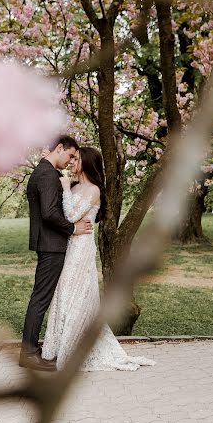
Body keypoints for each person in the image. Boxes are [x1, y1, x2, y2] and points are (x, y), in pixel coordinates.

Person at [42, 146, 156, 371]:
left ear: (86, 162)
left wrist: (65, 189)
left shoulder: (93, 190)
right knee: (64, 293)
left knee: (77, 294)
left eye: (76, 159)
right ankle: (58, 346)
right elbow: (67, 219)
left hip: (81, 248)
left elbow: (71, 216)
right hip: (69, 245)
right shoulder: (75, 186)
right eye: (72, 158)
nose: (72, 162)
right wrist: (67, 189)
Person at [19, 136, 93, 371]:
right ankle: (29, 353)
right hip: (51, 245)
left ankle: (32, 351)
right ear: (59, 148)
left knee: (40, 298)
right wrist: (73, 228)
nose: (71, 160)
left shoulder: (42, 172)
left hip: (47, 244)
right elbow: (50, 213)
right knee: (40, 299)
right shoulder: (48, 174)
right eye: (71, 155)